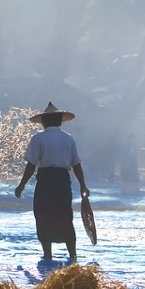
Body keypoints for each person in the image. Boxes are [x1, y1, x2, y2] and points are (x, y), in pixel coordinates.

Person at [14, 102, 89, 264]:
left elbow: (31, 164)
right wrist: (83, 185)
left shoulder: (38, 138)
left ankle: (47, 255)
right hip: (63, 181)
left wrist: (22, 184)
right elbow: (76, 164)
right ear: (60, 122)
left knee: (43, 214)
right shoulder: (68, 139)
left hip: (46, 180)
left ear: (44, 122)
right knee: (64, 215)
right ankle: (72, 255)